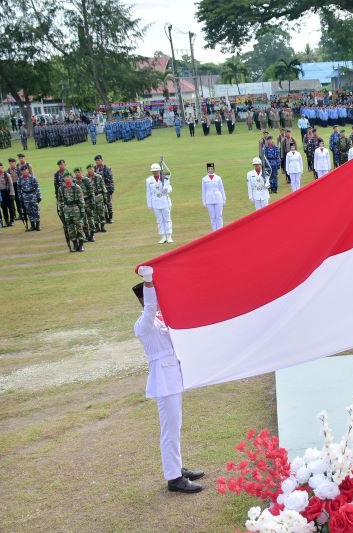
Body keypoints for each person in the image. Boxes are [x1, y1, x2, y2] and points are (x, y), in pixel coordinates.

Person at [133, 268, 205, 494]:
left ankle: (176, 468)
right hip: (164, 380)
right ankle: (173, 479)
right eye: (152, 295)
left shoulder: (162, 318)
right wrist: (148, 280)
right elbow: (151, 306)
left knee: (175, 426)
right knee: (170, 429)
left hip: (173, 376)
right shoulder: (143, 324)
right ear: (144, 300)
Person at [57, 171, 86, 252]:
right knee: (71, 229)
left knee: (79, 227)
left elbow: (81, 199)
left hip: (76, 209)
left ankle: (81, 245)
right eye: (65, 177)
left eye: (68, 177)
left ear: (71, 178)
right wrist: (62, 212)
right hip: (67, 211)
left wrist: (82, 210)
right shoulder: (61, 189)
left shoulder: (76, 187)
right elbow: (60, 201)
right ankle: (75, 244)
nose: (67, 178)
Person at [146, 163, 173, 243]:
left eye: (156, 171)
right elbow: (148, 193)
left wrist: (166, 189)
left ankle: (169, 236)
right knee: (159, 220)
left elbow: (170, 189)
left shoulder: (165, 178)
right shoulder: (148, 180)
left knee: (167, 219)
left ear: (159, 170)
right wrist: (149, 204)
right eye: (153, 171)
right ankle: (163, 236)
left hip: (165, 200)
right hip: (155, 202)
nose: (155, 172)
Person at [201, 163, 226, 231]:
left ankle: (220, 230)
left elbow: (221, 189)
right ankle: (214, 231)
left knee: (219, 216)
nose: (210, 170)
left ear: (214, 169)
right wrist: (204, 201)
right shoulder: (204, 179)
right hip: (209, 199)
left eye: (211, 169)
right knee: (212, 216)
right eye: (209, 169)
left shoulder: (218, 178)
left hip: (218, 199)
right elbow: (203, 191)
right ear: (207, 170)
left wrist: (224, 199)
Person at [18, 165, 41, 231]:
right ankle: (32, 225)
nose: (24, 171)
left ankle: (38, 225)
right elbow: (19, 190)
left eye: (25, 170)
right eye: (23, 170)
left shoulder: (33, 178)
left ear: (28, 170)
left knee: (36, 210)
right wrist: (20, 198)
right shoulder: (20, 179)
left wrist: (39, 196)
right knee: (29, 211)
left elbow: (37, 188)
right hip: (25, 196)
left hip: (33, 195)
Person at [94, 155, 115, 223]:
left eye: (99, 160)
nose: (97, 162)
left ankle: (110, 218)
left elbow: (110, 179)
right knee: (101, 205)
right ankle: (105, 218)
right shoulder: (94, 169)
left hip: (107, 188)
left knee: (108, 203)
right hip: (99, 190)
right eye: (96, 160)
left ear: (102, 160)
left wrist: (111, 189)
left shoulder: (107, 168)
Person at [0, 161, 15, 226]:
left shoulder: (7, 175)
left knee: (10, 207)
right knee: (3, 208)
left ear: (2, 167)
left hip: (8, 193)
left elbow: (11, 185)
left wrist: (12, 194)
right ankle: (6, 221)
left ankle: (12, 220)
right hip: (0, 194)